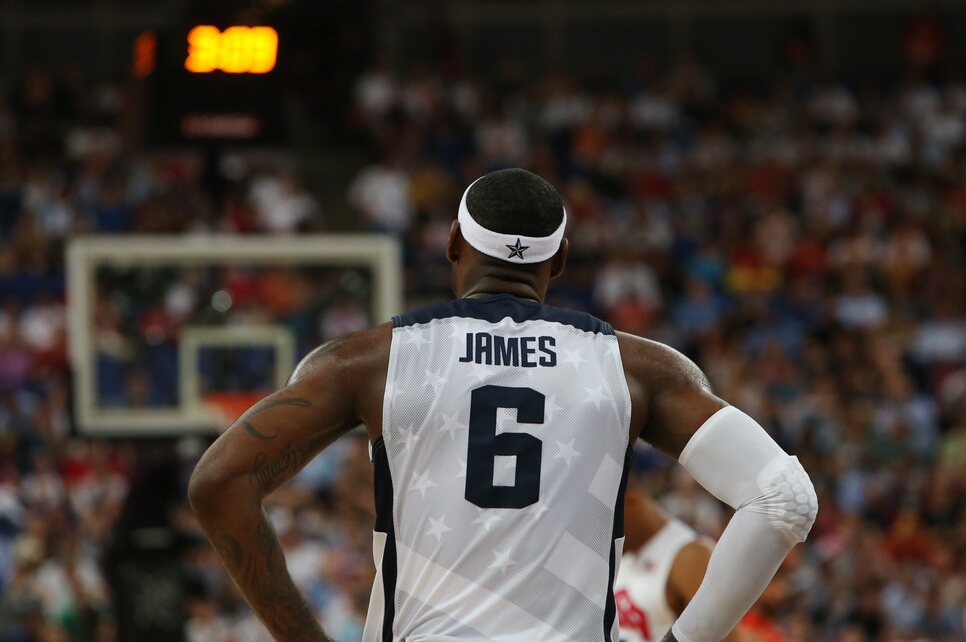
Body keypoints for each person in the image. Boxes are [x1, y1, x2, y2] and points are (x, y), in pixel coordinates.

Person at [188, 168, 817, 642]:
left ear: (453, 243)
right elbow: (785, 499)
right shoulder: (639, 367)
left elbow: (218, 482)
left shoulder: (368, 360)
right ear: (561, 258)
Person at [614, 486, 743, 642]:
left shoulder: (691, 556)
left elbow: (728, 639)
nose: (602, 533)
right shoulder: (623, 553)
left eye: (605, 520)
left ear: (631, 502)